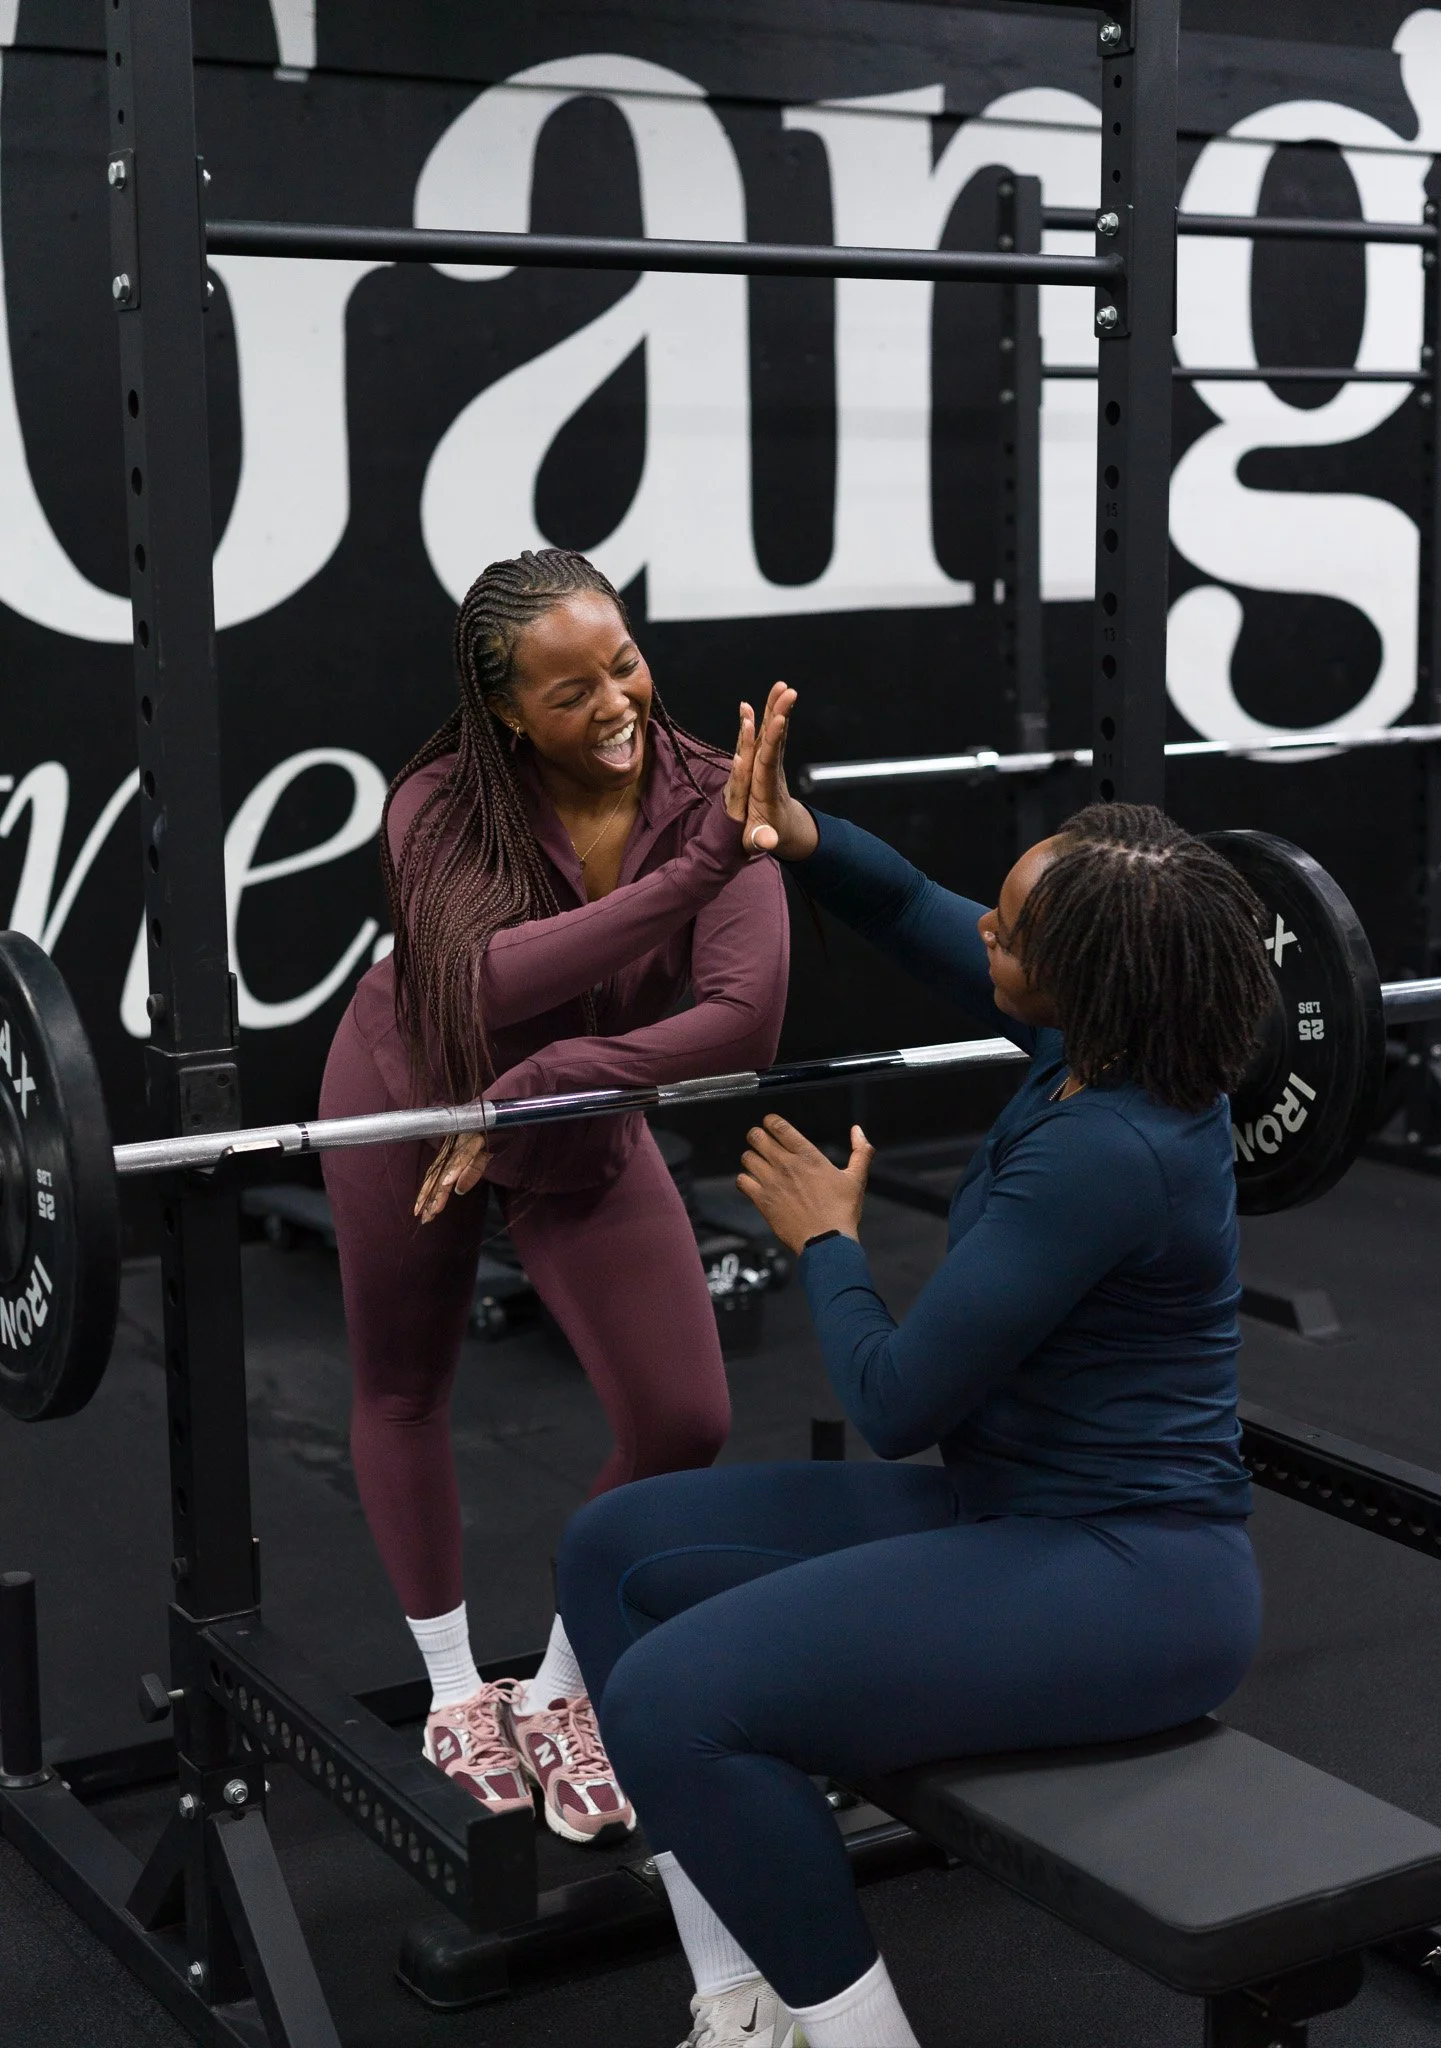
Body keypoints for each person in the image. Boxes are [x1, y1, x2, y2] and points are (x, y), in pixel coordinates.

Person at [556, 682, 1278, 2048]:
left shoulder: (1104, 1151)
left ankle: (859, 2035)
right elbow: (907, 909)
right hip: (1013, 1513)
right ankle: (740, 1997)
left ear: (1082, 975)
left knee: (675, 1702)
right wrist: (797, 832)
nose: (985, 930)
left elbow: (892, 1404)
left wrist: (827, 1240)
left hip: (1133, 1581)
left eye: (1013, 929)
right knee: (613, 1549)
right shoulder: (1095, 1040)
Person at [319, 550, 788, 1845]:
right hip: (409, 1094)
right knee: (404, 1385)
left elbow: (744, 1022)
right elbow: (464, 987)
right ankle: (458, 1687)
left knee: (682, 1414)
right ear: (508, 714)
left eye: (622, 660)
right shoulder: (438, 799)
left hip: (570, 1109)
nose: (616, 701)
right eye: (570, 689)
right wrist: (686, 881)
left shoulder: (709, 785)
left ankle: (563, 1691)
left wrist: (556, 1082)